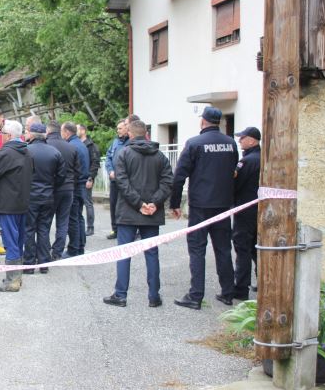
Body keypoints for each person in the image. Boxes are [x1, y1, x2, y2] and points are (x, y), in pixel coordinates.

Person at [170, 106, 239, 310]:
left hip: (200, 205)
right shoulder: (230, 143)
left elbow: (179, 176)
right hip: (223, 205)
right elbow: (233, 170)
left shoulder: (194, 143)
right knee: (223, 249)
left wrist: (175, 204)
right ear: (219, 122)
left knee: (197, 250)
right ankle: (228, 292)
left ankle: (195, 295)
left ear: (203, 121)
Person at [103, 120, 173, 308]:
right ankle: (154, 296)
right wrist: (154, 202)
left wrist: (139, 204)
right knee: (152, 253)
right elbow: (168, 182)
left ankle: (120, 295)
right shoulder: (160, 156)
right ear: (146, 134)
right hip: (152, 213)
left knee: (124, 253)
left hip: (128, 212)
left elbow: (122, 183)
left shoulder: (124, 153)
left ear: (130, 134)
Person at [0, 120, 34, 292]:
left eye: (3, 133)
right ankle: (16, 277)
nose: (1, 136)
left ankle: (12, 281)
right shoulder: (27, 152)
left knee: (10, 241)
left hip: (7, 205)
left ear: (9, 135)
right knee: (18, 241)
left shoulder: (5, 153)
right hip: (22, 203)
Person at [23, 123, 66, 274]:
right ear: (44, 135)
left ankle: (29, 264)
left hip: (30, 196)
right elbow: (61, 176)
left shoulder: (26, 151)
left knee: (29, 229)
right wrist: (51, 187)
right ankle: (44, 262)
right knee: (44, 229)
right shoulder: (54, 152)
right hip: (48, 195)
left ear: (32, 134)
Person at [232, 126, 261, 299]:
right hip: (259, 210)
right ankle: (262, 282)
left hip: (245, 210)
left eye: (242, 138)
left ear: (251, 141)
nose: (239, 140)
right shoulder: (262, 157)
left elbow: (236, 185)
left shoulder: (247, 161)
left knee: (242, 248)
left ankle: (241, 289)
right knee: (256, 248)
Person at [46, 121, 78, 260]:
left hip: (51, 189)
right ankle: (57, 252)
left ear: (48, 131)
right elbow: (77, 170)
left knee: (46, 221)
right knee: (63, 221)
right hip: (68, 188)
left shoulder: (46, 145)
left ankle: (45, 249)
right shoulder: (71, 147)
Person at [60, 122, 89, 257]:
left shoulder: (72, 146)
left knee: (73, 219)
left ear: (66, 132)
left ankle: (73, 249)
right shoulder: (81, 144)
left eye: (62, 131)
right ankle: (80, 246)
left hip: (76, 186)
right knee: (78, 217)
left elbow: (75, 169)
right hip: (81, 185)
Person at [105, 120, 130, 239]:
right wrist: (110, 171)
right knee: (113, 204)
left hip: (126, 181)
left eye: (120, 128)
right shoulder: (115, 142)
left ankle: (128, 230)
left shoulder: (130, 143)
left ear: (126, 128)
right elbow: (108, 157)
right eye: (117, 128)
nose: (118, 131)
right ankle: (115, 229)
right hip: (114, 180)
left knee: (126, 205)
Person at [77, 124, 100, 236]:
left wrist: (90, 178)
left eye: (77, 129)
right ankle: (78, 226)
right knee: (78, 204)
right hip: (77, 179)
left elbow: (95, 163)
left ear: (83, 130)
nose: (75, 131)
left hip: (87, 179)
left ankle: (90, 227)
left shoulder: (91, 146)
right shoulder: (76, 144)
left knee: (88, 203)